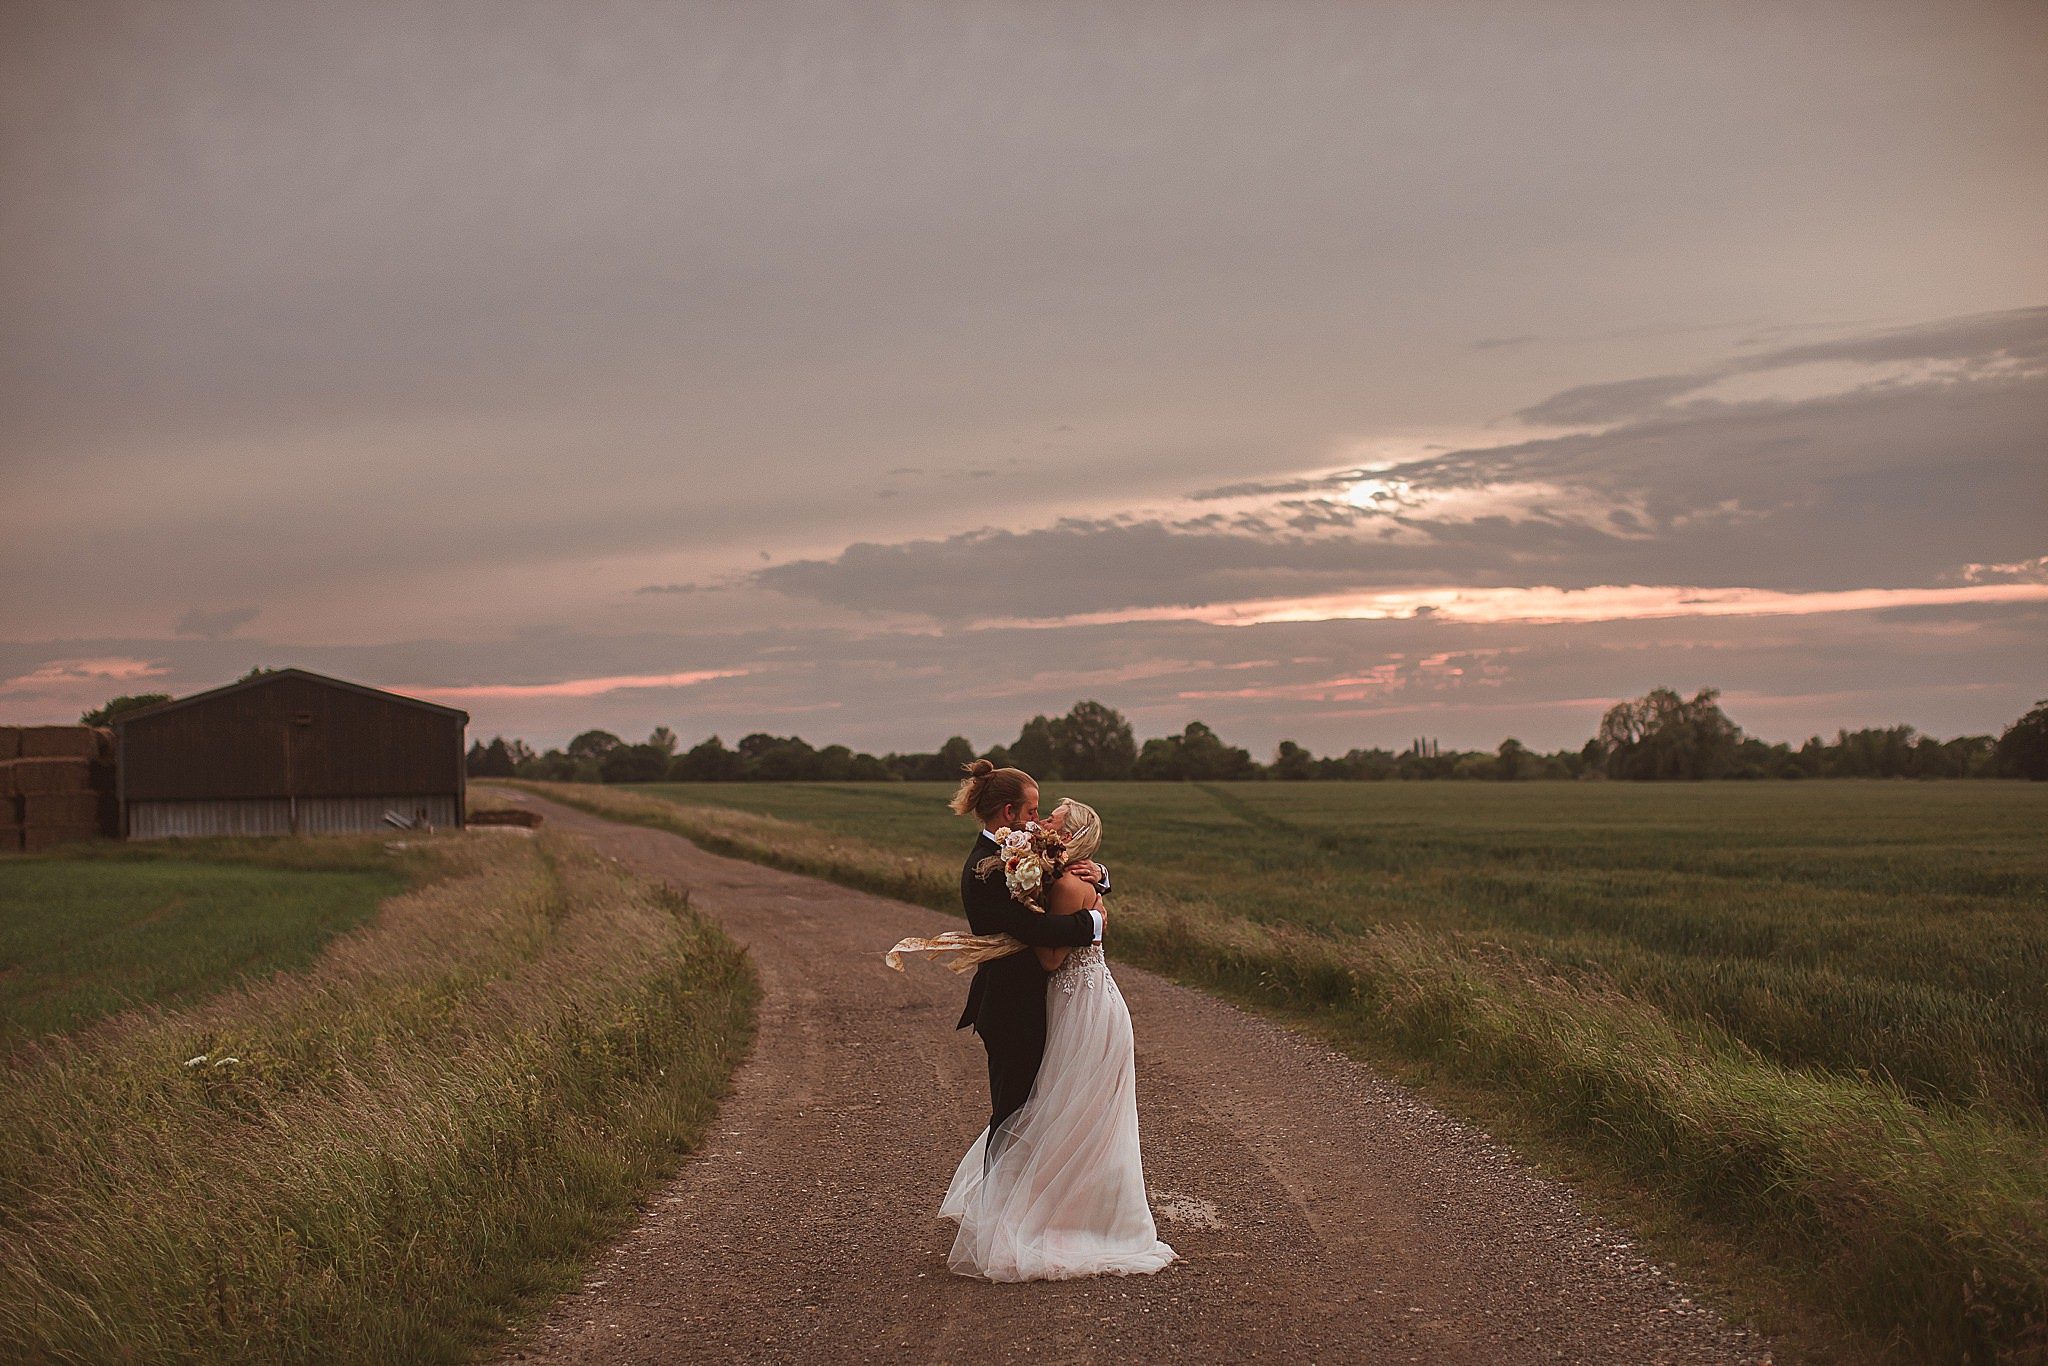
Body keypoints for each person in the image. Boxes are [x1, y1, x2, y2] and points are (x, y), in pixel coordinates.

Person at [937, 790, 1177, 1282]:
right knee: (1049, 1107)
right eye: (1036, 812)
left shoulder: (1042, 867)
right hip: (1051, 1003)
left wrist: (1093, 891)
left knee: (1049, 1107)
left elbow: (1048, 951)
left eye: (1052, 818)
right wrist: (1094, 913)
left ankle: (1024, 1215)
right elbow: (1036, 920)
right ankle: (1038, 1210)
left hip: (1070, 1001)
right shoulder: (992, 862)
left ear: (1068, 838)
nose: (1040, 821)